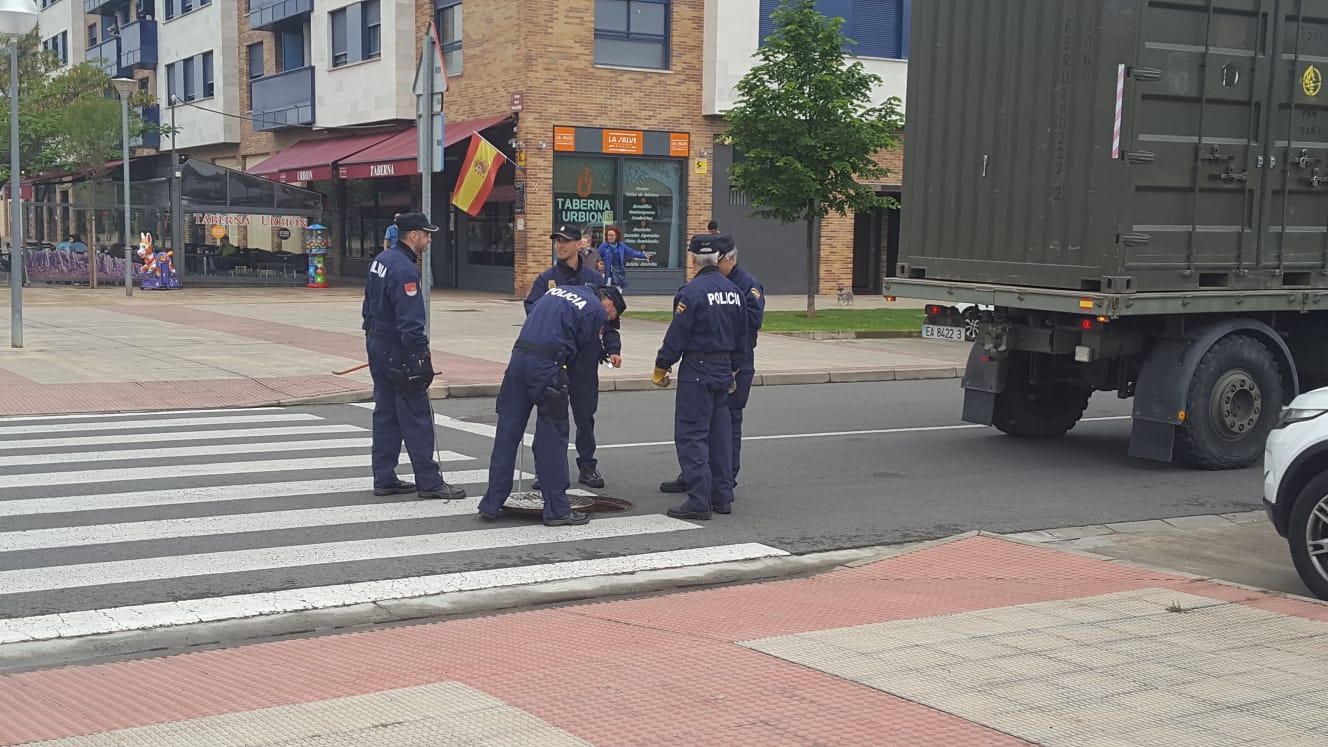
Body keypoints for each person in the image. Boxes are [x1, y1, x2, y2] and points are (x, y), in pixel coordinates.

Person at [477, 284, 627, 526]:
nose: (607, 322)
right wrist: (578, 398)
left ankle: (492, 502)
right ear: (608, 302)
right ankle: (557, 508)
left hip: (517, 363)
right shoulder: (594, 311)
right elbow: (583, 366)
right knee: (553, 435)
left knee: (507, 433)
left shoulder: (556, 292)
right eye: (611, 318)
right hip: (546, 369)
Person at [361, 211, 466, 501]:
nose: (430, 239)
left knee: (386, 413)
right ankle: (429, 482)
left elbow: (368, 304)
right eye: (427, 234)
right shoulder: (405, 269)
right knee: (416, 415)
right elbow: (410, 319)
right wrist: (421, 355)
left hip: (377, 342)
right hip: (398, 349)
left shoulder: (381, 261)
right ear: (413, 235)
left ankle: (384, 477)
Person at [652, 233, 747, 520]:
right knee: (720, 435)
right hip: (723, 369)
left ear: (693, 259)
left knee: (692, 434)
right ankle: (722, 496)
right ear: (718, 259)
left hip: (698, 369)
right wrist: (734, 367)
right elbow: (743, 337)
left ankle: (698, 500)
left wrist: (662, 365)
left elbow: (678, 335)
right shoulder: (735, 292)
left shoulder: (691, 293)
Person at [661, 241, 764, 496]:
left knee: (724, 427)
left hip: (731, 363)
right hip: (724, 362)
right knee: (709, 426)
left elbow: (750, 325)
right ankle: (702, 480)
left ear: (728, 258)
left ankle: (723, 482)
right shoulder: (726, 286)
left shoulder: (746, 285)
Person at [524, 225, 621, 489]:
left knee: (585, 416)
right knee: (550, 415)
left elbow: (609, 317)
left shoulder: (594, 279)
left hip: (585, 361)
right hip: (554, 361)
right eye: (557, 241)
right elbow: (534, 314)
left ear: (580, 244)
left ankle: (588, 466)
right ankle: (545, 469)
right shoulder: (546, 280)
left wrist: (613, 348)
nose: (560, 246)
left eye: (566, 241)